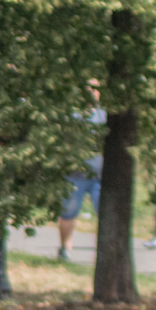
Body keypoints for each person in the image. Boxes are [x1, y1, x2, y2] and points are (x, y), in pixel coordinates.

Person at [57, 101, 107, 261]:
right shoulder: (72, 114)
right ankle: (65, 246)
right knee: (68, 212)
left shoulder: (104, 115)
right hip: (75, 174)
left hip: (100, 175)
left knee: (106, 213)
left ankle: (106, 251)